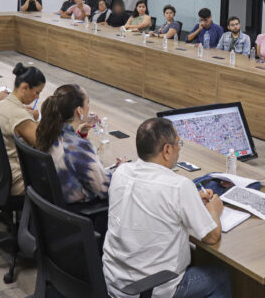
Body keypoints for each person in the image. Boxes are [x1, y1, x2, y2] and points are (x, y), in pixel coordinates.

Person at [102, 117, 230, 298]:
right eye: (178, 144)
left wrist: (191, 199)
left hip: (112, 282)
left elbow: (151, 199)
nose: (179, 150)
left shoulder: (121, 172)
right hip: (152, 290)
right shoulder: (179, 186)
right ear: (167, 150)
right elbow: (211, 236)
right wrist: (214, 210)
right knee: (221, 275)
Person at [35, 84, 111, 204]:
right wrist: (121, 172)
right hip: (77, 214)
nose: (89, 107)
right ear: (79, 111)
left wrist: (79, 134)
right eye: (88, 103)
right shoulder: (78, 146)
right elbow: (105, 189)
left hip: (50, 208)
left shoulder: (47, 133)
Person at [0, 63, 45, 196]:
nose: (37, 97)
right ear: (25, 88)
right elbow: (42, 146)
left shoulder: (1, 105)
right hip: (17, 179)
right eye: (37, 92)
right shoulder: (19, 115)